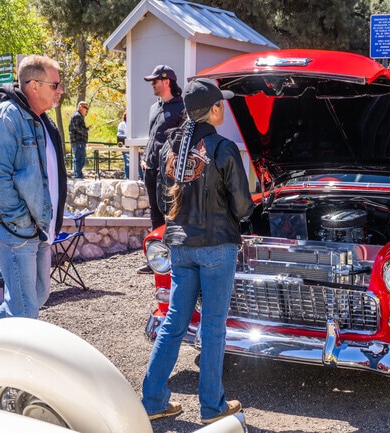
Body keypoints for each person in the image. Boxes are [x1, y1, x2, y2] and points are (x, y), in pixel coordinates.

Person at [141, 78, 254, 423]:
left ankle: (153, 400)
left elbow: (163, 200)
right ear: (215, 109)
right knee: (214, 326)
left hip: (180, 245)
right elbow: (242, 205)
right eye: (222, 105)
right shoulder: (223, 147)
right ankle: (212, 406)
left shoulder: (169, 147)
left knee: (175, 321)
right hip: (217, 246)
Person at [0, 54, 67, 323]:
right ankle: (1, 359)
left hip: (35, 227)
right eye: (55, 85)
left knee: (36, 296)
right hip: (13, 228)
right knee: (25, 309)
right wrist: (20, 219)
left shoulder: (40, 120)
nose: (60, 90)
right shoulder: (4, 119)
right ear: (34, 85)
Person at [138, 65, 185, 273]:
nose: (152, 85)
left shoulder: (183, 109)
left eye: (155, 81)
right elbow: (153, 138)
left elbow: (184, 143)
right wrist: (145, 158)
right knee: (155, 215)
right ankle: (157, 260)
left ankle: (176, 260)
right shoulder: (153, 107)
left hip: (168, 175)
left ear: (167, 82)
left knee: (173, 215)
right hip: (149, 170)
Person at [69, 100, 89, 179]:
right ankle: (78, 176)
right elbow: (77, 128)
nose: (87, 110)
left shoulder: (78, 116)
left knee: (81, 159)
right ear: (80, 107)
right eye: (85, 108)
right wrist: (86, 130)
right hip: (78, 141)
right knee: (79, 159)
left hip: (79, 141)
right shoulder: (77, 116)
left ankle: (78, 175)